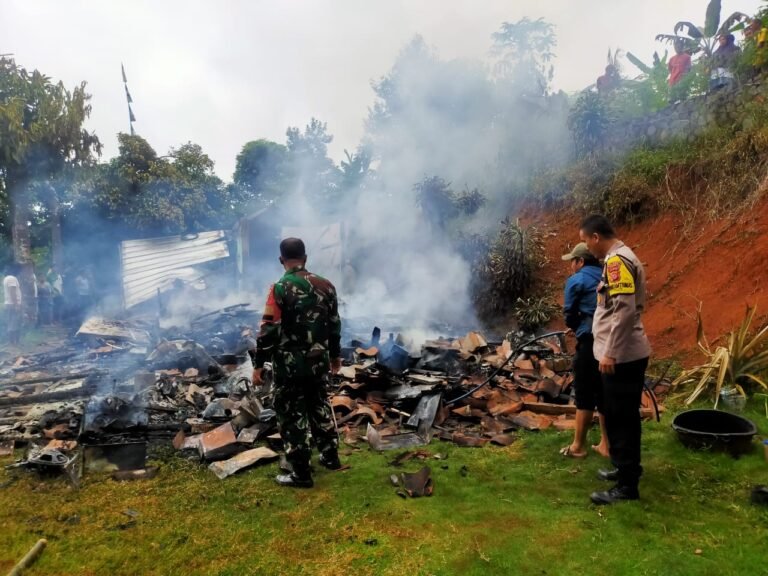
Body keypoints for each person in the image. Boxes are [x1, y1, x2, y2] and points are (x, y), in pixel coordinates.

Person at [251, 238, 343, 488]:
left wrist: (259, 364)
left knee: (292, 416)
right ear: (306, 257)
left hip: (290, 367)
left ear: (282, 260)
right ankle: (331, 457)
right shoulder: (327, 285)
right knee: (319, 406)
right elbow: (334, 325)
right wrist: (335, 356)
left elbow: (269, 329)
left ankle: (301, 473)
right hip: (318, 363)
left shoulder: (279, 288)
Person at [579, 215, 651, 505]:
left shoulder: (616, 262)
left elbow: (623, 312)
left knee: (621, 418)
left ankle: (626, 487)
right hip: (626, 353)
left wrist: (610, 351)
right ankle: (625, 468)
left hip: (622, 356)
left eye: (585, 240)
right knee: (623, 415)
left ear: (596, 237)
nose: (586, 247)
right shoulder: (624, 256)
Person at [558, 243, 609, 459]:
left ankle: (578, 446)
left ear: (580, 262)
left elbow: (569, 313)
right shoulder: (606, 274)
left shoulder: (577, 279)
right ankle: (607, 445)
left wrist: (577, 326)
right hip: (609, 342)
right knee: (604, 392)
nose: (571, 265)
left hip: (589, 342)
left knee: (585, 392)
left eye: (573, 261)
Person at [3, 265, 23, 345]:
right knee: (15, 323)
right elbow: (12, 292)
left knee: (11, 323)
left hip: (9, 304)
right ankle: (15, 342)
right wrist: (16, 305)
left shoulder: (6, 278)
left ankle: (12, 342)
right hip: (12, 304)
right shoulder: (12, 279)